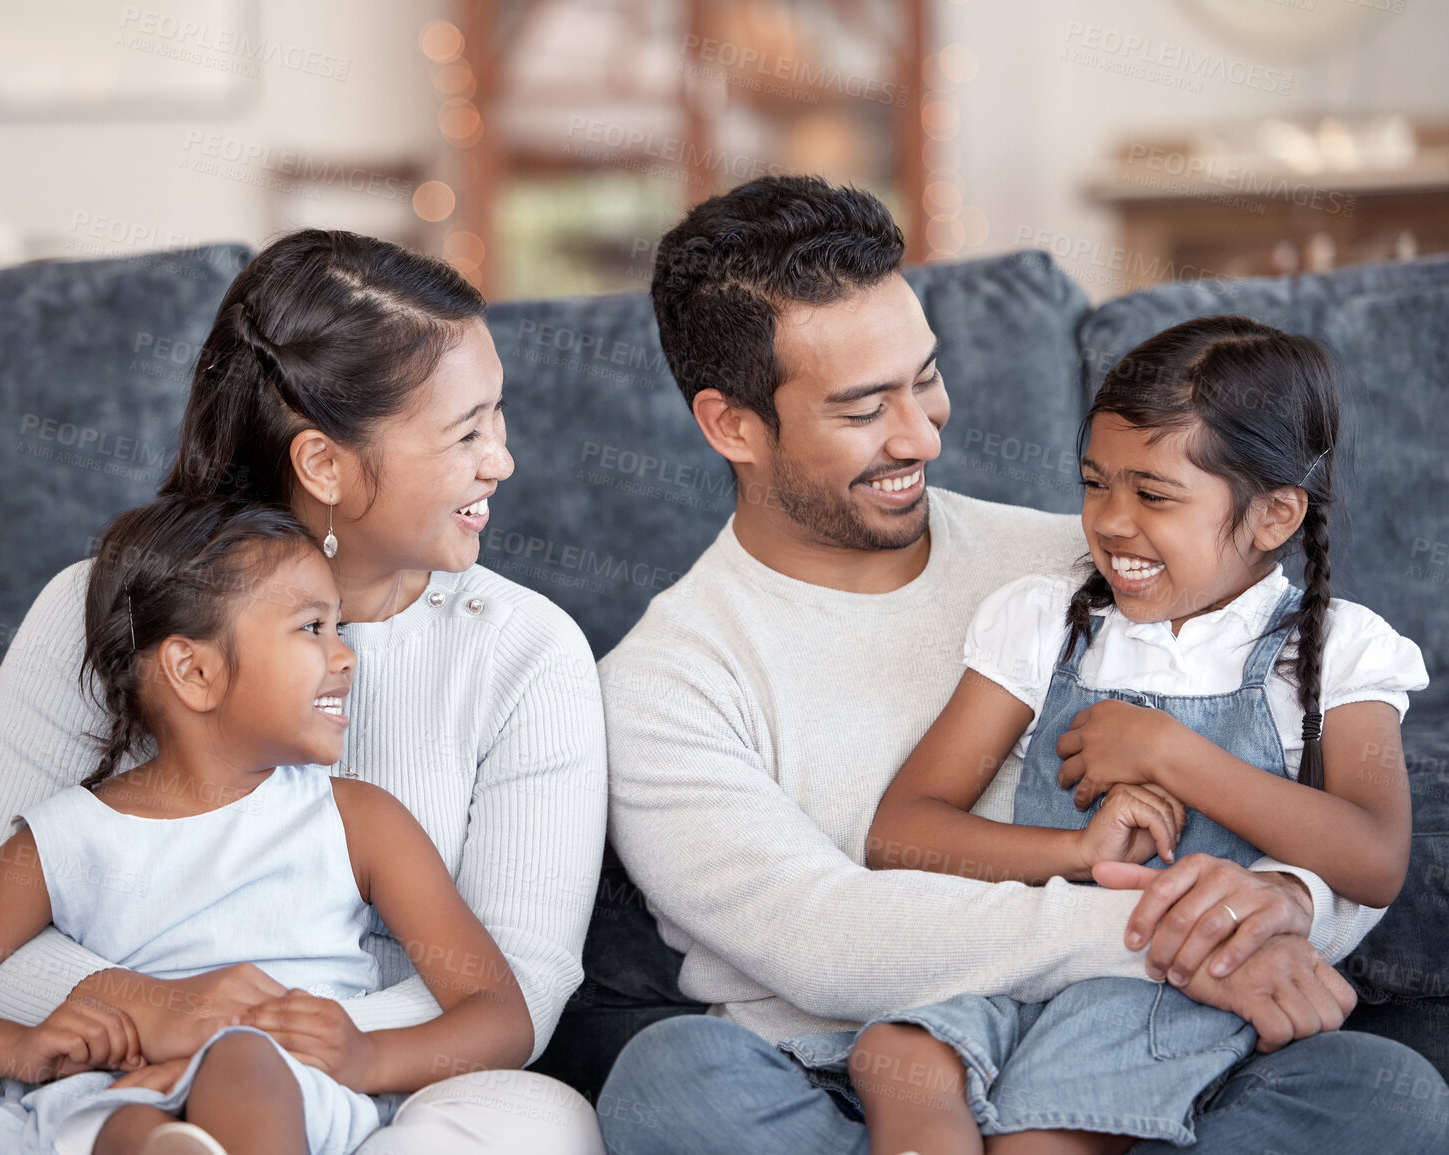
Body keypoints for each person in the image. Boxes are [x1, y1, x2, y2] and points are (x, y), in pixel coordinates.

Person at [593, 175, 1447, 1154]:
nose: (922, 433)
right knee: (672, 1083)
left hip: (1156, 1041)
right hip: (838, 1067)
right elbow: (822, 939)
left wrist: (1285, 907)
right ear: (731, 425)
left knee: (1380, 1093)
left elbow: (1329, 833)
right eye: (866, 406)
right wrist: (1173, 947)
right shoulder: (664, 683)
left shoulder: (1089, 570)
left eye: (925, 377)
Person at [0, 231, 608, 1155]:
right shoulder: (100, 607)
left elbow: (520, 983)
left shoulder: (526, 651)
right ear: (323, 463)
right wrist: (154, 1014)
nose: (501, 462)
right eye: (467, 432)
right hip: (105, 1079)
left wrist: (298, 1045)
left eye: (497, 420)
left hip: (384, 1084)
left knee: (536, 1127)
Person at [851, 317, 1426, 1153]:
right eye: (1094, 483)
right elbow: (898, 830)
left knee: (1048, 1119)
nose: (1110, 522)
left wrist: (1168, 751)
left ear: (1272, 515)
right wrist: (1075, 853)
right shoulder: (1040, 619)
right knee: (893, 1049)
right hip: (1025, 963)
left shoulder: (1337, 650)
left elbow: (1372, 856)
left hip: (1161, 993)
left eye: (1153, 494)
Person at [0, 496, 537, 1155]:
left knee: (242, 1059)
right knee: (125, 1129)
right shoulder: (65, 837)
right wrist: (18, 1046)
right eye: (311, 627)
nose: (346, 654)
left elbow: (499, 1012)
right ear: (195, 669)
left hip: (292, 1088)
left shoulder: (358, 820)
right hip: (122, 1090)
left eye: (340, 627)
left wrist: (368, 1054)